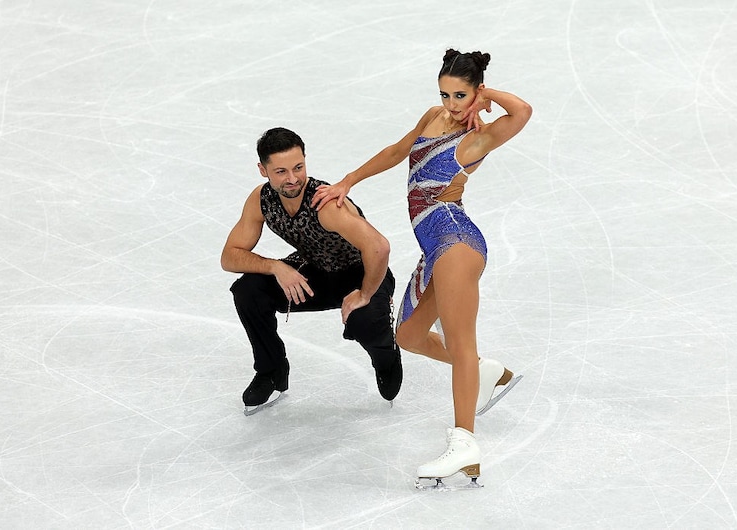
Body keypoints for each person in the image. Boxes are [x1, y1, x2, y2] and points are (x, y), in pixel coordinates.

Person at [312, 49, 532, 484]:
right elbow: (398, 151)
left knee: (460, 342)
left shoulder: (477, 137)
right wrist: (348, 181)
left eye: (461, 95)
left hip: (456, 243)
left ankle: (465, 445)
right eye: (445, 94)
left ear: (476, 92)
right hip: (433, 251)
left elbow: (522, 111)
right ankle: (484, 372)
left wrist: (487, 95)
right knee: (408, 336)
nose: (452, 104)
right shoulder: (433, 116)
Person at [221, 127, 402, 415]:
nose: (293, 178)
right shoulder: (261, 200)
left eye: (298, 167)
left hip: (362, 274)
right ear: (263, 170)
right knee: (248, 291)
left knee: (365, 321)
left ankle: (386, 357)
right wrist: (275, 266)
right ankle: (272, 371)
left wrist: (366, 294)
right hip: (314, 272)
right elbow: (229, 256)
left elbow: (379, 248)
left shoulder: (325, 204)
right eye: (281, 171)